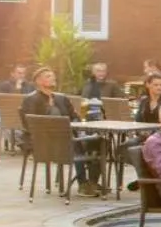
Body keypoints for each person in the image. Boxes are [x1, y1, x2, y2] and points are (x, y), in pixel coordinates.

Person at [21, 67, 104, 196]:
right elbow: (29, 125)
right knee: (74, 143)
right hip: (47, 144)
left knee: (100, 142)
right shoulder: (31, 100)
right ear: (38, 81)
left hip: (70, 138)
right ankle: (82, 184)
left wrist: (82, 127)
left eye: (53, 76)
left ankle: (91, 183)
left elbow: (74, 117)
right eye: (48, 76)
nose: (53, 78)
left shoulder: (61, 98)